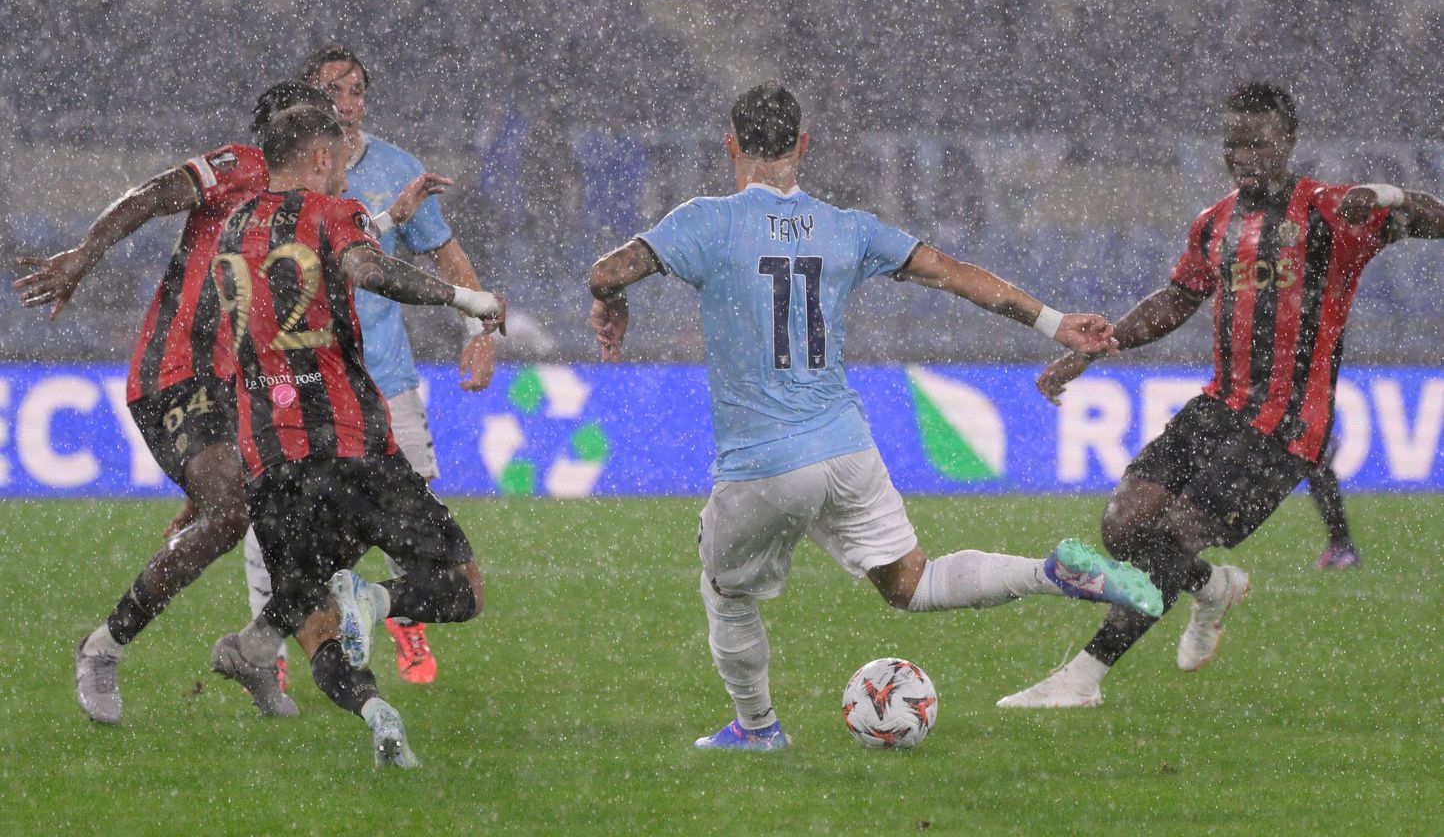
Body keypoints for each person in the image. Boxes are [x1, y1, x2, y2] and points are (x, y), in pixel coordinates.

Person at [588, 82, 1165, 751]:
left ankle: (758, 729)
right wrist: (1055, 321)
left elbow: (610, 270)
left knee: (725, 589)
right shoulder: (849, 228)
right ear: (803, 146)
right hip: (846, 447)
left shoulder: (704, 221)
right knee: (911, 584)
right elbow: (953, 273)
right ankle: (1052, 573)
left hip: (764, 461)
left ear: (730, 146)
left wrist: (612, 303)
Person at [13, 81, 447, 724]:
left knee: (312, 519)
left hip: (246, 390)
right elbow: (153, 194)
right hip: (177, 373)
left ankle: (257, 651)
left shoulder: (307, 209)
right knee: (228, 514)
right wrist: (85, 253)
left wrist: (391, 221)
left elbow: (338, 251)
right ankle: (103, 647)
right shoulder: (237, 167)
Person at [998, 82, 1444, 708]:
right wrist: (1088, 351)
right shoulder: (1216, 223)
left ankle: (1084, 678)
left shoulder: (1331, 211)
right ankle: (1212, 588)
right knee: (1123, 527)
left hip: (1286, 424)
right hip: (1220, 405)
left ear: (1287, 142)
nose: (1242, 155)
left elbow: (1438, 218)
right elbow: (1178, 300)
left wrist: (1390, 194)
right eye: (1232, 143)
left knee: (1176, 535)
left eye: (1256, 143)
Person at [206, 104, 502, 766]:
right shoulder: (330, 213)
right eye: (340, 159)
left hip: (274, 453)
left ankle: (376, 714)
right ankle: (377, 599)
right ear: (318, 159)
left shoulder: (234, 227)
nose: (345, 169)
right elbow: (367, 268)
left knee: (309, 624)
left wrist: (390, 217)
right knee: (462, 589)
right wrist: (469, 302)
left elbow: (287, 278)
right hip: (352, 445)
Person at [249, 43, 497, 685]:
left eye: (357, 88)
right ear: (307, 98)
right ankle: (272, 656)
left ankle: (399, 625)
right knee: (277, 527)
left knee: (411, 516)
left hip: (384, 380)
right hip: (302, 385)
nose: (347, 102)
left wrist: (477, 328)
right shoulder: (275, 173)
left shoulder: (395, 166)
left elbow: (444, 251)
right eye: (333, 89)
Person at [1309, 446, 1359, 568]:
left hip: (1318, 437)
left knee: (1321, 482)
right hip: (1313, 436)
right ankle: (1340, 544)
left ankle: (1342, 544)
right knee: (1319, 482)